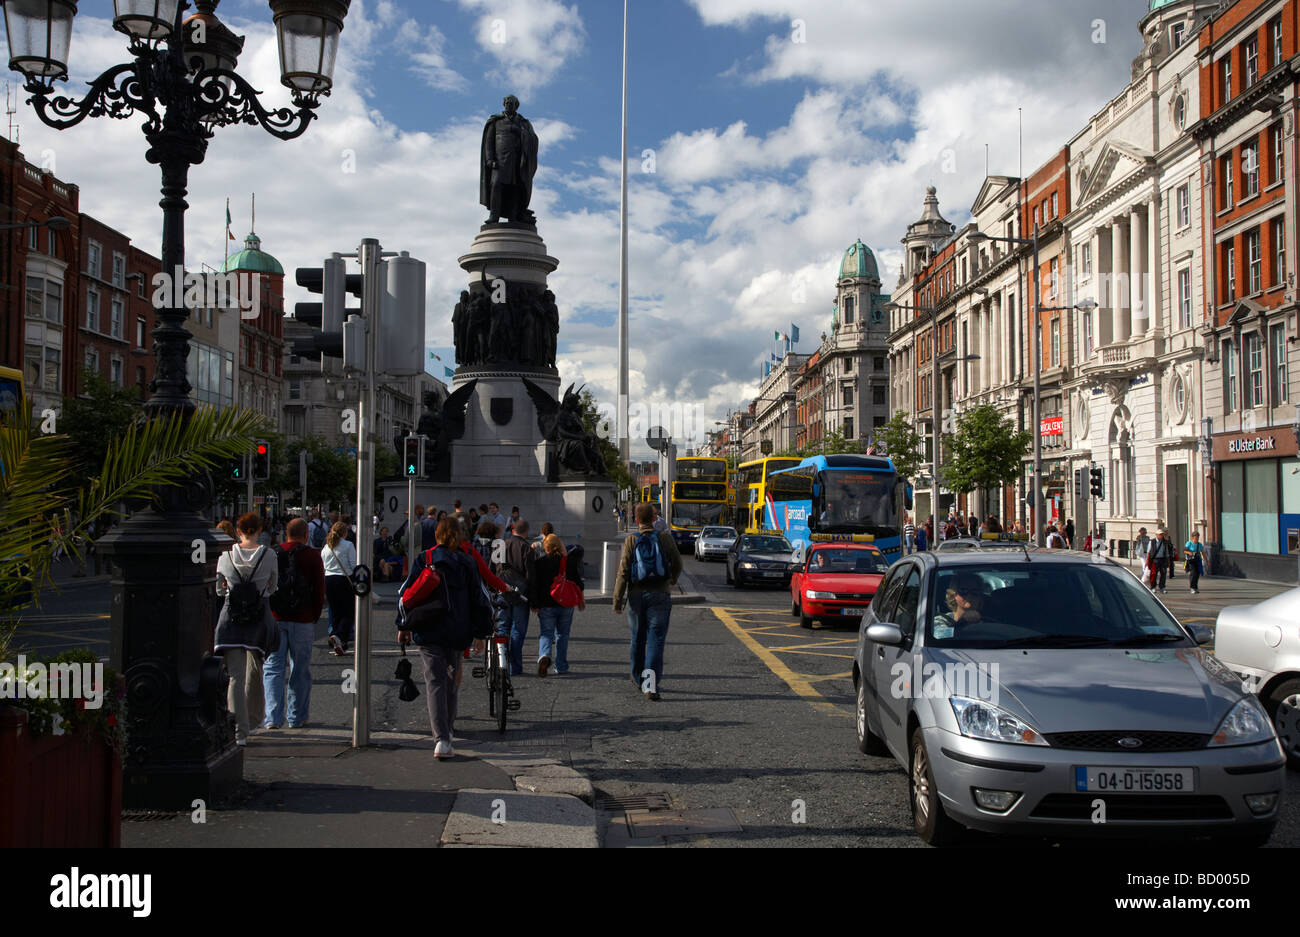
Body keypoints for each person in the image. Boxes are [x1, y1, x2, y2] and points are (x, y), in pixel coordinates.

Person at [396, 518, 491, 759]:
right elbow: (480, 600)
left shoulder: (425, 559)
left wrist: (403, 624)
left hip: (428, 628)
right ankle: (447, 731)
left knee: (434, 682)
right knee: (451, 681)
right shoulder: (467, 562)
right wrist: (481, 632)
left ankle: (442, 739)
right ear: (459, 536)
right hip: (458, 629)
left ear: (436, 535)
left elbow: (406, 594)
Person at [214, 513, 276, 745]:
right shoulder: (269, 555)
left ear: (238, 531)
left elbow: (220, 591)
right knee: (255, 671)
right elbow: (273, 586)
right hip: (258, 619)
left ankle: (238, 731)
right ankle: (253, 720)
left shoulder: (226, 556)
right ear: (259, 530)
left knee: (235, 677)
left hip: (231, 619)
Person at [613, 503, 683, 701]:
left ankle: (637, 678)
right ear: (654, 519)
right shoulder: (665, 538)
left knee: (637, 638)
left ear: (636, 520)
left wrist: (618, 601)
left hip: (636, 596)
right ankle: (650, 685)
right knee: (655, 641)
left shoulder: (631, 540)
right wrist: (672, 579)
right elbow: (678, 563)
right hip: (660, 595)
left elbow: (623, 572)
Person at [264, 518, 326, 730]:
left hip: (276, 617)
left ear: (285, 534)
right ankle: (297, 717)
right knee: (300, 669)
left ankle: (273, 717)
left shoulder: (273, 553)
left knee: (273, 668)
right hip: (303, 618)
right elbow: (319, 591)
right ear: (306, 534)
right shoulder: (312, 556)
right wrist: (314, 616)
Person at [529, 533, 585, 677]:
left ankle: (544, 655)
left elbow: (534, 585)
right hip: (565, 603)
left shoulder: (539, 563)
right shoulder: (568, 562)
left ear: (545, 547)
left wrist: (534, 603)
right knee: (563, 635)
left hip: (546, 603)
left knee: (546, 633)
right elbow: (579, 584)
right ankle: (561, 665)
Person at [500, 519, 536, 676]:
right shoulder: (527, 548)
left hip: (502, 591)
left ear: (513, 529)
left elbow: (491, 569)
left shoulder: (501, 545)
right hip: (520, 595)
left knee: (502, 627)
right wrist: (534, 601)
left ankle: (500, 662)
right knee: (517, 630)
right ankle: (515, 666)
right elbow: (532, 577)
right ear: (526, 532)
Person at [321, 521, 358, 656]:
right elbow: (353, 565)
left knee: (335, 611)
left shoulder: (326, 547)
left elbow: (324, 565)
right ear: (345, 532)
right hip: (343, 579)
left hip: (329, 579)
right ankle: (341, 637)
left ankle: (335, 636)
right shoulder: (348, 545)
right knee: (348, 611)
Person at [931, 573, 985, 640]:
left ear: (980, 597)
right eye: (963, 591)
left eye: (975, 592)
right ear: (953, 595)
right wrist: (962, 622)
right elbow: (939, 636)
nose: (969, 595)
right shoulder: (940, 620)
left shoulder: (987, 623)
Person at [1147, 529, 1174, 593]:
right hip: (1155, 559)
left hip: (1163, 559)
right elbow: (1148, 552)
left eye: (1162, 534)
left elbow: (1167, 552)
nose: (1161, 536)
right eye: (1160, 534)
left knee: (1163, 574)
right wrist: (1147, 561)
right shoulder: (1152, 542)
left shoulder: (1165, 542)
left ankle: (1162, 587)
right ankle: (1153, 587)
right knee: (1153, 574)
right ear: (1156, 535)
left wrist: (1168, 561)